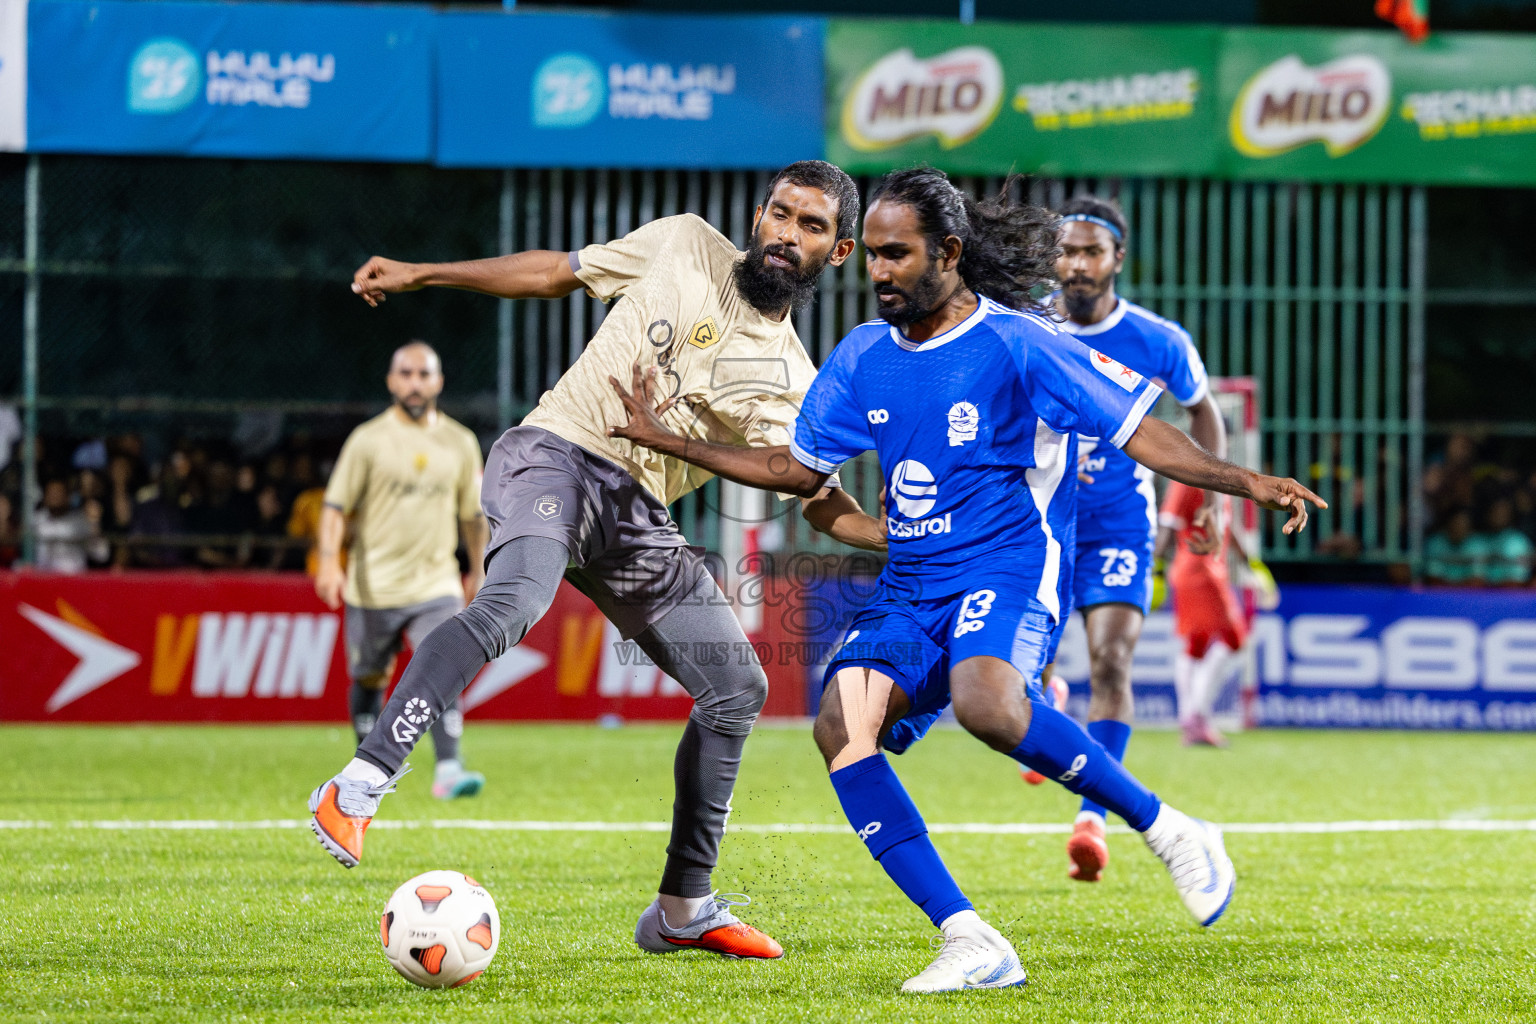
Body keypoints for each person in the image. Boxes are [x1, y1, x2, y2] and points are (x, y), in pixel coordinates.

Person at [608, 167, 1325, 993]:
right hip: (912, 584)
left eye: (897, 254)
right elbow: (794, 468)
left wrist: (1246, 483)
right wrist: (668, 439)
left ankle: (1170, 830)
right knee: (842, 726)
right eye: (871, 254)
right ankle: (971, 937)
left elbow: (1143, 434)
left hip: (1012, 568)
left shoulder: (1021, 342)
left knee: (988, 703)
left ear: (948, 253)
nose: (877, 272)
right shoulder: (863, 357)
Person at [308, 161, 882, 961]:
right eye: (780, 213)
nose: (787, 233)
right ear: (758, 216)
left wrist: (904, 537)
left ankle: (683, 906)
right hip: (556, 454)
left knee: (738, 686)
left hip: (637, 518)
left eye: (811, 225)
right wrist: (423, 273)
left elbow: (815, 496)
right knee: (511, 605)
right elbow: (554, 272)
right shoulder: (682, 242)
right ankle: (360, 782)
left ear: (841, 249)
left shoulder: (793, 380)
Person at [1033, 195, 1228, 883]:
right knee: (1026, 668)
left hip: (1119, 519)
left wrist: (1208, 500)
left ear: (1117, 258)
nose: (1076, 264)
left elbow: (1203, 412)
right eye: (1065, 250)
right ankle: (1048, 693)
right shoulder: (1026, 325)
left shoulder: (1158, 340)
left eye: (1091, 251)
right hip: (1037, 517)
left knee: (1113, 661)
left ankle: (1093, 820)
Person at [315, 342, 490, 801]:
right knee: (370, 677)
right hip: (374, 585)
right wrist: (330, 561)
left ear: (438, 381)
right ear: (392, 381)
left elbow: (473, 517)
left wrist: (480, 570)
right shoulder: (367, 440)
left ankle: (449, 768)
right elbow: (335, 507)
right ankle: (367, 770)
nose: (414, 382)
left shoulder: (461, 441)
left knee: (447, 665)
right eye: (406, 373)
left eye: (423, 374)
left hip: (436, 583)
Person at [1155, 481, 1277, 746]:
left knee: (1196, 645)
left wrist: (1251, 565)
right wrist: (1154, 570)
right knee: (1235, 639)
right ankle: (1194, 715)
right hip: (1199, 570)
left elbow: (1226, 525)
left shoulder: (1217, 478)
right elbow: (1167, 522)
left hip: (1207, 570)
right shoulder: (1185, 477)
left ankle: (1192, 719)